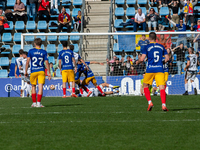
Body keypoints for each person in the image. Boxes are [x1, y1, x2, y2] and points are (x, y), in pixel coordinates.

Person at [136, 32, 169, 111]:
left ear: (149, 38)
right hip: (160, 69)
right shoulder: (161, 46)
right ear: (156, 38)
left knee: (145, 85)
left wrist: (138, 62)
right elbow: (167, 58)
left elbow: (142, 59)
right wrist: (161, 62)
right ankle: (163, 105)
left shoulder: (147, 47)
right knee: (162, 87)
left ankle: (150, 102)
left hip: (150, 69)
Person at [25, 38, 51, 107]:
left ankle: (34, 103)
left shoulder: (31, 51)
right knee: (40, 87)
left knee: (33, 87)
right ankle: (39, 103)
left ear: (35, 43)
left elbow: (27, 62)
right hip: (41, 71)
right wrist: (49, 72)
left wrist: (25, 71)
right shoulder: (44, 52)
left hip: (33, 71)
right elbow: (47, 63)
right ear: (41, 44)